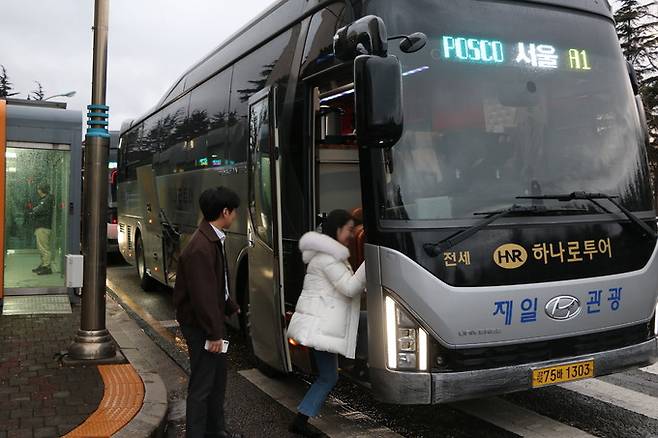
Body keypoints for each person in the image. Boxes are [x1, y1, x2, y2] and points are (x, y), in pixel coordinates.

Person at [287, 209, 366, 437]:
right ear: (337, 229)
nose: (352, 234)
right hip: (321, 327)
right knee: (328, 376)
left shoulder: (331, 256)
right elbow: (350, 288)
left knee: (329, 375)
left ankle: (359, 365)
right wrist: (371, 261)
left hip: (324, 324)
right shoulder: (327, 258)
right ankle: (300, 422)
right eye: (349, 229)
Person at [173, 186, 243, 438]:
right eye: (234, 211)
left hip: (211, 324)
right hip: (202, 327)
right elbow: (202, 296)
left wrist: (230, 306)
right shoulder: (201, 247)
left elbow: (216, 285)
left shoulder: (211, 238)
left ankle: (216, 430)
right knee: (203, 384)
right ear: (225, 212)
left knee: (217, 380)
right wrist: (214, 334)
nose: (235, 215)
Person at [30, 183, 54, 275]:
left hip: (43, 227)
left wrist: (34, 210)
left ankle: (46, 267)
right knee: (41, 247)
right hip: (41, 226)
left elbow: (39, 210)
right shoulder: (45, 199)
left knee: (44, 248)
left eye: (38, 189)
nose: (37, 190)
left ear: (41, 190)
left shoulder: (46, 200)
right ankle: (43, 264)